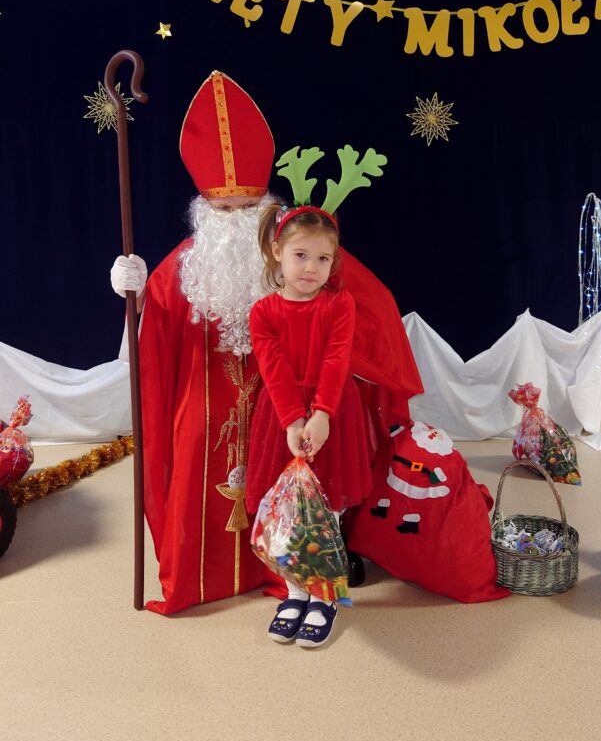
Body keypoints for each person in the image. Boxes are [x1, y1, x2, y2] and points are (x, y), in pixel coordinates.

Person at [111, 71, 423, 616]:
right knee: (194, 438)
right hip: (206, 395)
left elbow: (360, 306)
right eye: (224, 211)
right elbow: (157, 322)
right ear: (204, 210)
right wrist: (130, 289)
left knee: (306, 471)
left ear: (265, 206)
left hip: (290, 402)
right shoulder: (186, 267)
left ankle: (297, 574)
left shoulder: (301, 254)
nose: (235, 220)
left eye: (246, 207)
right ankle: (203, 575)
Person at [247, 202, 372, 647]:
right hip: (283, 415)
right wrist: (293, 422)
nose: (312, 268)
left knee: (325, 509)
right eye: (301, 255)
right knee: (288, 512)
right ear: (277, 251)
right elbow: (273, 369)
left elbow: (336, 360)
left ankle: (324, 597)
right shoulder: (263, 312)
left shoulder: (339, 304)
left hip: (331, 412)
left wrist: (321, 415)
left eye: (323, 258)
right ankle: (295, 592)